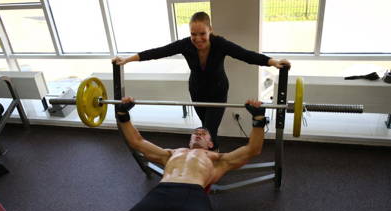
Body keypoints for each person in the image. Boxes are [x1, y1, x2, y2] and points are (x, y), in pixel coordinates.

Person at [93, 96, 268, 211]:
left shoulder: (218, 160)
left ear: (211, 143)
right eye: (195, 132)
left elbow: (252, 149)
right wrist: (123, 114)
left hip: (194, 201)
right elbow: (137, 142)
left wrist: (258, 120)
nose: (198, 133)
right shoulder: (171, 154)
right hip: (160, 196)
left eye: (204, 133)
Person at [112, 11, 290, 150]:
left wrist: (273, 62)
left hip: (218, 91)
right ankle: (214, 151)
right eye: (193, 34)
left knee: (208, 130)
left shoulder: (220, 44)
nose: (197, 39)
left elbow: (246, 55)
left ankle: (212, 155)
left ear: (210, 30)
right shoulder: (185, 44)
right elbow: (158, 52)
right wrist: (127, 60)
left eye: (202, 33)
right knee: (206, 128)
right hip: (196, 90)